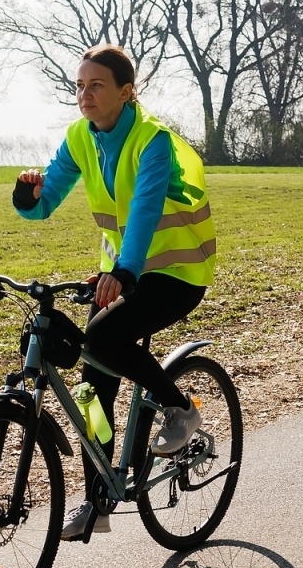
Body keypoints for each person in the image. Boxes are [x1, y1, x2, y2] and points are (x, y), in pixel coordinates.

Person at [13, 44, 217, 541]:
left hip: (177, 271)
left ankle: (180, 409)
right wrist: (27, 196)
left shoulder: (152, 140)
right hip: (123, 272)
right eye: (80, 85)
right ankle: (97, 500)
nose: (85, 94)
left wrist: (125, 272)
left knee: (104, 340)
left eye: (96, 85)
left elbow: (145, 208)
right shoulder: (80, 137)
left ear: (126, 92)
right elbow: (46, 201)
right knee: (92, 385)